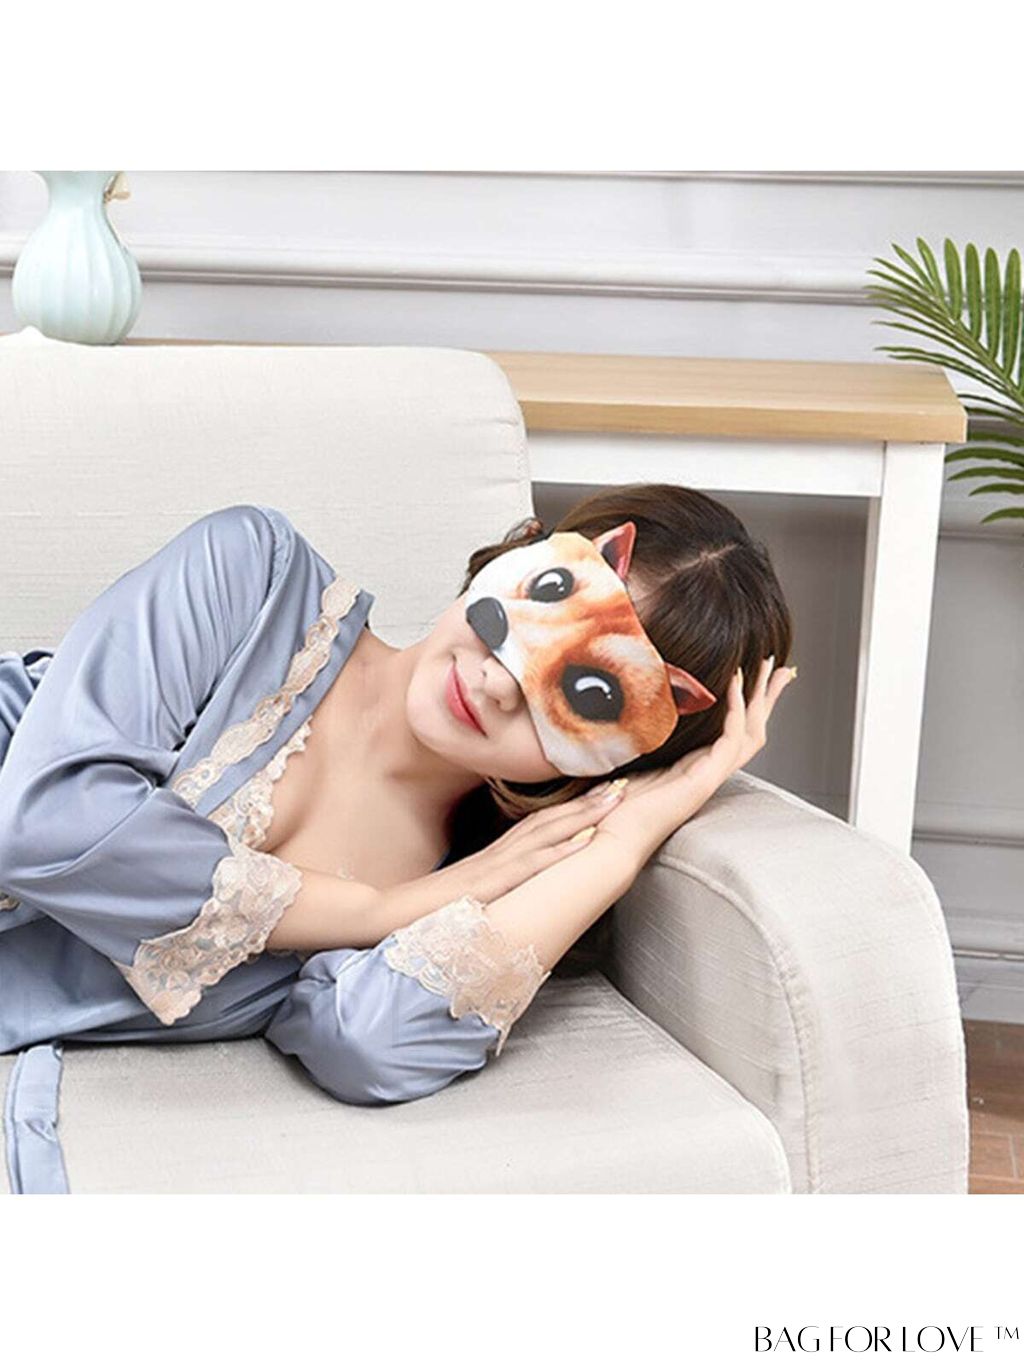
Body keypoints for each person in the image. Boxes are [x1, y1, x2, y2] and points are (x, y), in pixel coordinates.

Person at [0, 486, 795, 1140]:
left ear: (607, 767)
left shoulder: (459, 899)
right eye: (543, 600)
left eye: (584, 697)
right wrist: (376, 908)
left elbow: (368, 1044)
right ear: (520, 551)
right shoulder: (251, 573)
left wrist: (619, 841)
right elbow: (46, 821)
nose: (498, 684)